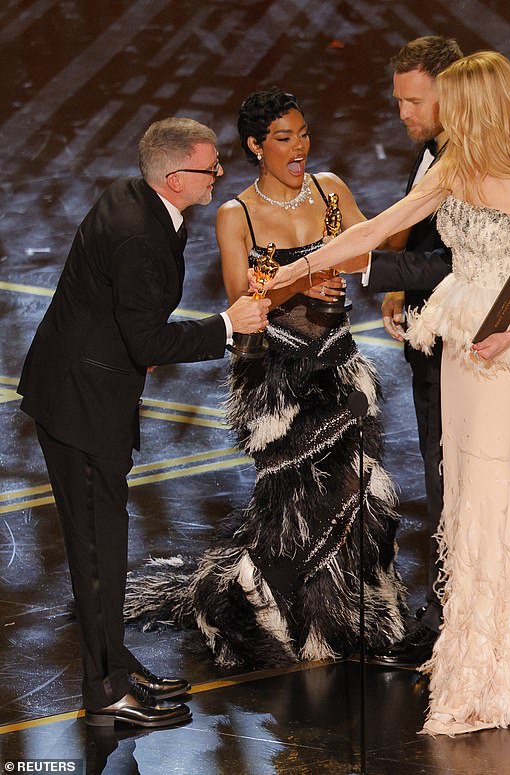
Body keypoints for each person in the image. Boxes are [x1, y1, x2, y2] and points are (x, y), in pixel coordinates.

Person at [259, 52, 510, 735]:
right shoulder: (452, 168)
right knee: (461, 492)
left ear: (482, 104)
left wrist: (509, 334)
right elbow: (377, 230)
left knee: (490, 494)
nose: (437, 114)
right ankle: (471, 655)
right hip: (460, 335)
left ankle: (506, 670)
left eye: (453, 102)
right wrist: (294, 269)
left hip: (504, 345)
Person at [124, 88, 408, 667]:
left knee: (356, 493)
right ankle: (271, 608)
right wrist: (304, 280)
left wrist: (419, 208)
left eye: (303, 133)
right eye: (284, 138)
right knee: (292, 504)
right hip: (275, 375)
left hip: (338, 363)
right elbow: (238, 295)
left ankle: (349, 619)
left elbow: (375, 250)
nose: (299, 146)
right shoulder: (238, 214)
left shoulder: (332, 191)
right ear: (256, 146)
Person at [17, 117, 270, 728]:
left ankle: (115, 661)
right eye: (212, 169)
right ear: (176, 176)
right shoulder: (139, 232)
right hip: (81, 405)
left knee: (104, 542)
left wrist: (139, 344)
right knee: (98, 550)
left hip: (85, 384)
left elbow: (124, 314)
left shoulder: (137, 202)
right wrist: (230, 325)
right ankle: (104, 688)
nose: (219, 177)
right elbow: (146, 335)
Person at [365, 35, 463, 667]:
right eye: (397, 99)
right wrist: (400, 284)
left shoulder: (470, 160)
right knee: (441, 480)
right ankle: (446, 606)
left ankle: (448, 615)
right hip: (432, 346)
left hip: (464, 350)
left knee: (456, 483)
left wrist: (378, 267)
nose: (402, 112)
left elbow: (461, 258)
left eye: (413, 100)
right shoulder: (433, 152)